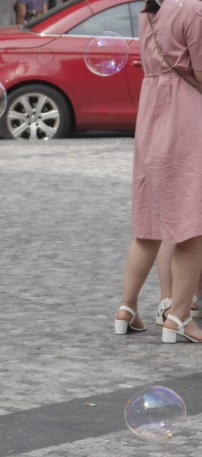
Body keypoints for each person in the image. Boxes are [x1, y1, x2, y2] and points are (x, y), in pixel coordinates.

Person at [113, 0, 202, 343]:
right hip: (184, 116)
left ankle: (127, 307)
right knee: (191, 226)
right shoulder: (194, 9)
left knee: (148, 227)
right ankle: (178, 316)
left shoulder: (151, 9)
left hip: (151, 114)